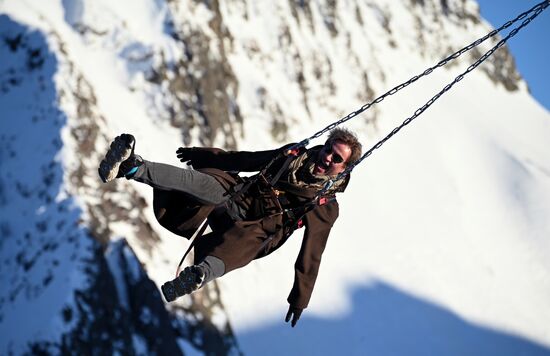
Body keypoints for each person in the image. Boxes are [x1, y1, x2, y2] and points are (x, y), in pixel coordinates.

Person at [98, 128, 362, 327]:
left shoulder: (325, 205)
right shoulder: (294, 155)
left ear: (344, 168)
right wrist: (202, 155)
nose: (327, 157)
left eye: (336, 157)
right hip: (239, 194)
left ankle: (199, 275)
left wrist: (300, 298)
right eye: (328, 148)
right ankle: (130, 166)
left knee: (243, 244)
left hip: (263, 227)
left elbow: (313, 251)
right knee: (197, 182)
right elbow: (248, 161)